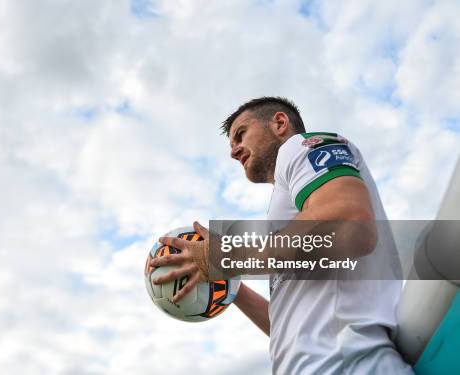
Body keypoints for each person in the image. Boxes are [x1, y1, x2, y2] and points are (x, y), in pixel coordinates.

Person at [149, 97, 414, 374]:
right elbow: (287, 331)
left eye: (241, 134)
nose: (234, 151)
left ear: (279, 123)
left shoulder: (300, 146)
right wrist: (231, 286)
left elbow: (351, 225)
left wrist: (224, 256)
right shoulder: (287, 216)